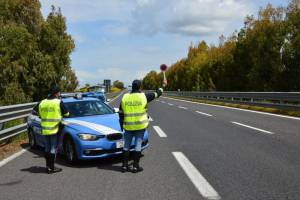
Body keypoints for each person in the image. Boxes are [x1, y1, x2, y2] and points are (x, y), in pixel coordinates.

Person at [119, 80, 164, 173]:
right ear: (140, 87)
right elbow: (157, 93)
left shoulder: (125, 97)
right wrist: (162, 86)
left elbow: (121, 113)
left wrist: (121, 125)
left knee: (126, 145)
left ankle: (124, 166)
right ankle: (135, 166)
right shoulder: (144, 96)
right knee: (138, 145)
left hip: (128, 126)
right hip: (140, 126)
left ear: (132, 87)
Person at [36, 85, 69, 174]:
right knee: (53, 148)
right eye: (59, 92)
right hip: (55, 129)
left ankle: (47, 166)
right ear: (57, 93)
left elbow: (38, 114)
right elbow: (67, 114)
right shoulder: (58, 102)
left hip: (45, 129)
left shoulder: (42, 102)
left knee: (47, 147)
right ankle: (51, 168)